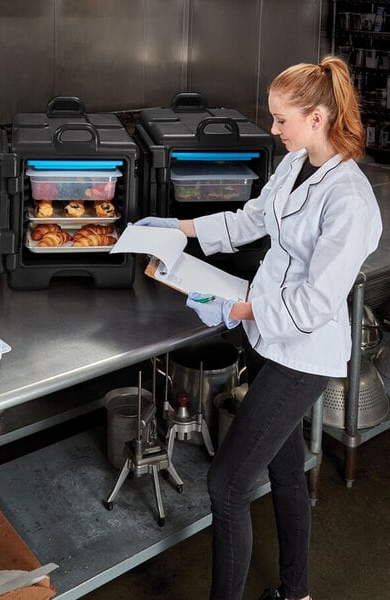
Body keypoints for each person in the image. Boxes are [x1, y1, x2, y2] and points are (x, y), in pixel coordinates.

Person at [136, 56, 382, 600]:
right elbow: (250, 219)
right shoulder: (296, 164)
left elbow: (316, 303)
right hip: (269, 341)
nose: (272, 130)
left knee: (226, 486)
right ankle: (296, 592)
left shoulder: (350, 199)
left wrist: (236, 309)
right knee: (286, 472)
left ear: (316, 117)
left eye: (279, 119)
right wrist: (174, 229)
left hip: (303, 356)